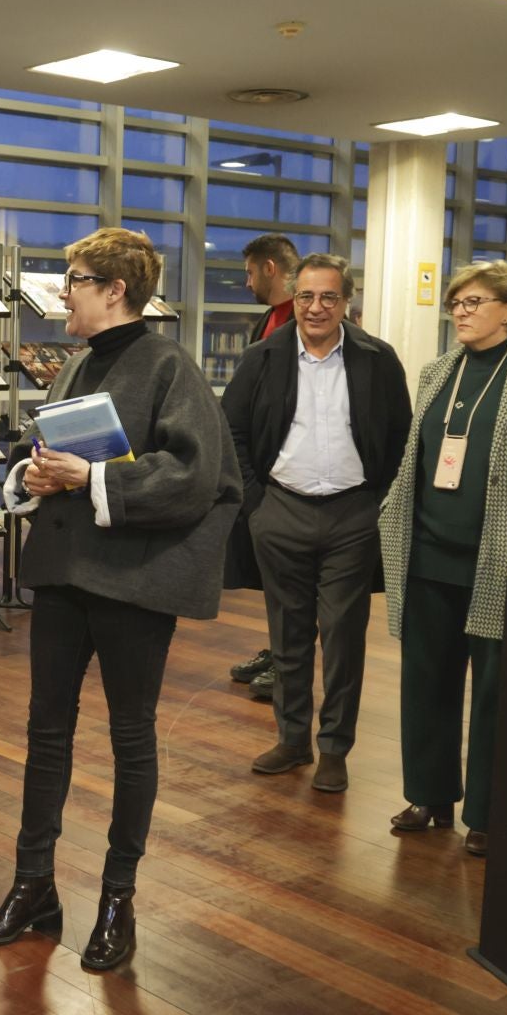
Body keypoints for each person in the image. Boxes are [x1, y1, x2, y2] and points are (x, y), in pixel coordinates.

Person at [0, 227, 241, 971]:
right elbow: (39, 451)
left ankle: (119, 900)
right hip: (64, 574)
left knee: (131, 737)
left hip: (133, 582)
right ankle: (33, 887)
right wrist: (32, 475)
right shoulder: (76, 365)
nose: (63, 291)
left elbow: (197, 474)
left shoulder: (169, 366)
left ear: (115, 290)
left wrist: (91, 481)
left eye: (74, 278)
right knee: (45, 733)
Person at [379, 260, 507, 858]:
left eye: (474, 302)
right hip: (427, 551)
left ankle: (489, 814)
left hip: (503, 558)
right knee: (426, 681)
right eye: (456, 304)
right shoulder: (438, 370)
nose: (462, 313)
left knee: (497, 690)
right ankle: (428, 793)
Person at [221, 254, 410, 793]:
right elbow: (231, 431)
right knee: (288, 635)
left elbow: (402, 438)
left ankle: (334, 749)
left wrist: (379, 504)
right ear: (293, 298)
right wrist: (257, 505)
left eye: (328, 297)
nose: (316, 307)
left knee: (345, 638)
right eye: (306, 296)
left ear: (346, 302)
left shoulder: (378, 358)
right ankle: (291, 739)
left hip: (354, 515)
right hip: (281, 511)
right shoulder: (262, 357)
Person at [224, 233, 301, 701]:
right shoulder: (266, 322)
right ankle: (278, 650)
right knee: (273, 572)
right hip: (261, 469)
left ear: (270, 268)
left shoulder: (299, 322)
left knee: (292, 576)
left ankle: (290, 660)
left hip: (291, 469)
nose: (247, 281)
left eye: (251, 272)